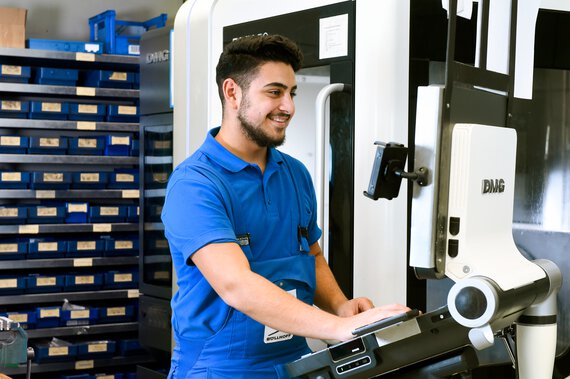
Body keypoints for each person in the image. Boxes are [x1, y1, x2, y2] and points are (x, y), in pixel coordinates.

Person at [161, 34, 410, 379]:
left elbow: (310, 255)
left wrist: (341, 307)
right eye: (274, 92)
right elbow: (237, 285)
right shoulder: (195, 184)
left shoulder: (294, 173)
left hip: (296, 362)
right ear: (232, 92)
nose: (289, 107)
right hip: (222, 367)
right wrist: (337, 329)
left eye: (292, 93)